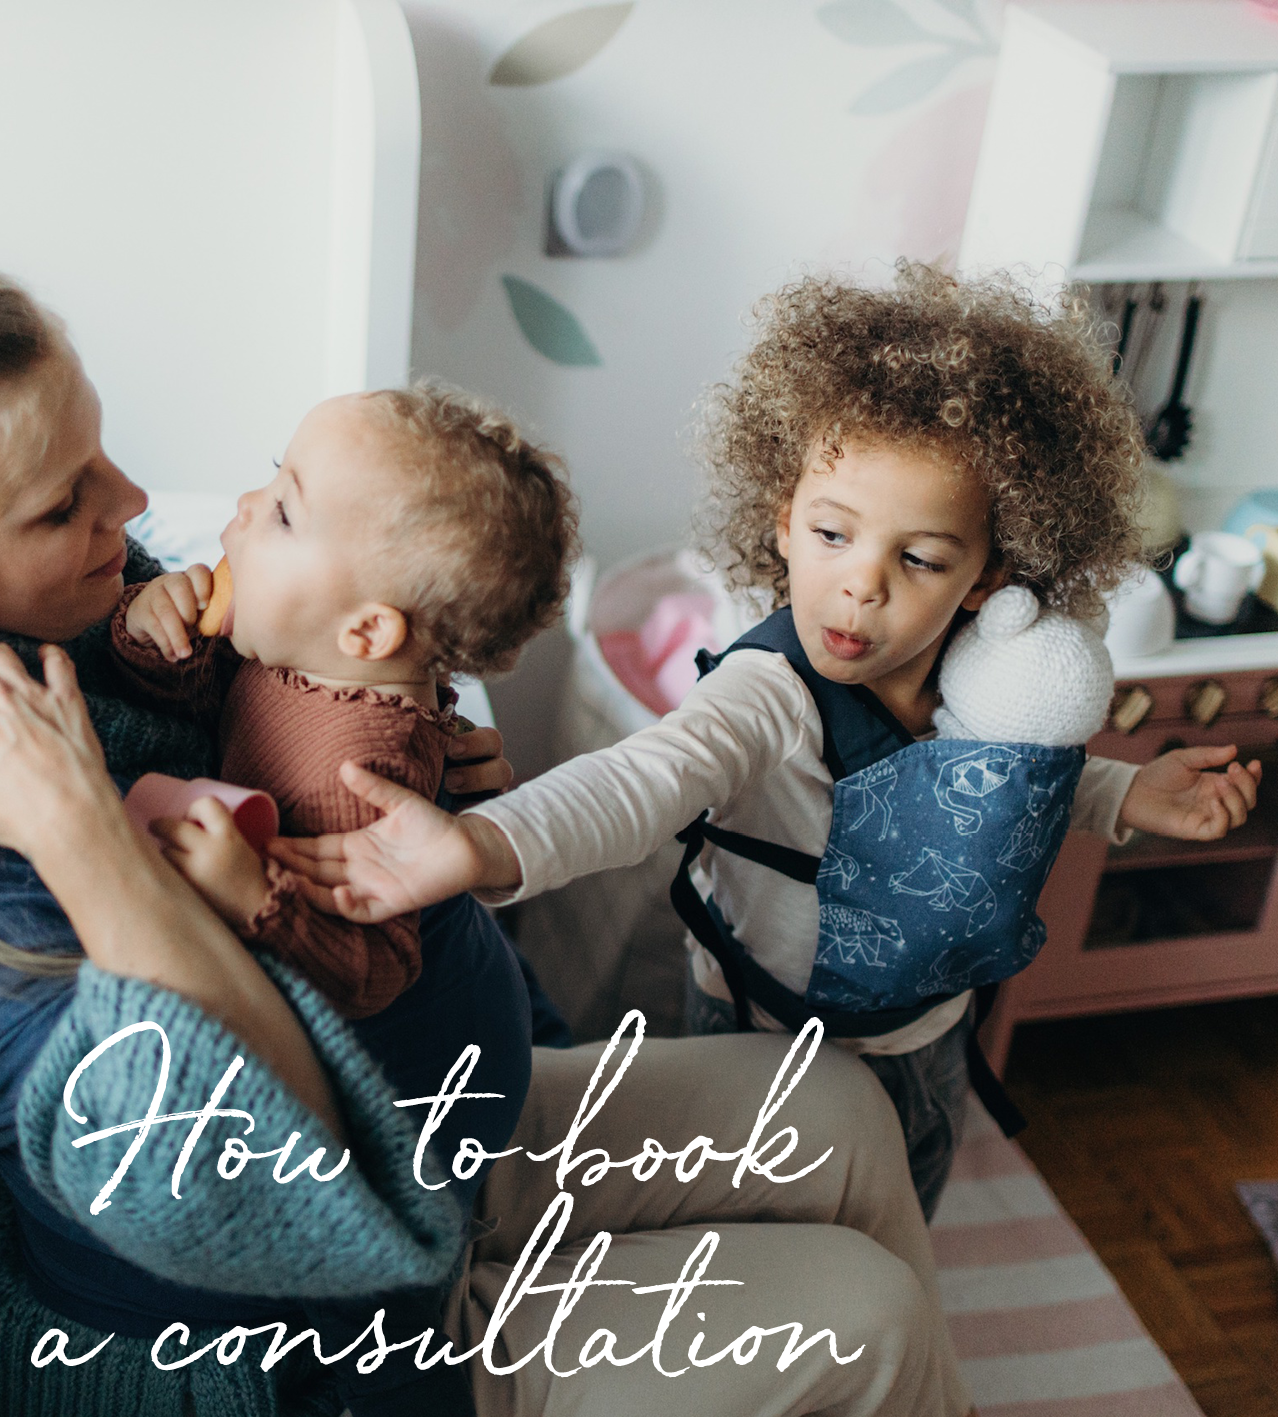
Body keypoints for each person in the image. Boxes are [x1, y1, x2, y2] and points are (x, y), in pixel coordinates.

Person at [0, 242, 1166, 1417]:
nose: (137, 507)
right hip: (269, 1394)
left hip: (427, 1134)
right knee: (866, 1311)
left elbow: (299, 685)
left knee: (833, 1112)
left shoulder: (68, 617)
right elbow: (289, 1186)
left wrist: (412, 753)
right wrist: (86, 840)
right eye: (64, 498)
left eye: (107, 457)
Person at [275, 264, 1260, 1223]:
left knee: (903, 1210)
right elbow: (644, 779)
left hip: (925, 1028)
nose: (861, 583)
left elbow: (992, 791)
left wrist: (1124, 795)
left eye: (915, 558)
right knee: (775, 1226)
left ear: (981, 577)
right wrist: (484, 843)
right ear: (782, 520)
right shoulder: (768, 691)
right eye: (832, 534)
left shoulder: (982, 676)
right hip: (764, 1030)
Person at [107, 381, 576, 1417]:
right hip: (393, 1048)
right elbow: (199, 698)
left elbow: (370, 965)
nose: (244, 507)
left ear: (366, 632)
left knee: (394, 1331)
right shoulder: (287, 644)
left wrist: (248, 892)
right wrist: (152, 623)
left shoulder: (362, 769)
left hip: (416, 1068)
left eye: (282, 510)